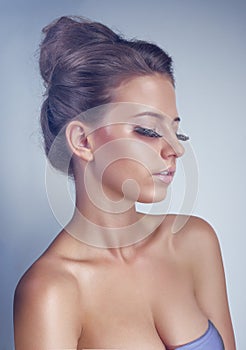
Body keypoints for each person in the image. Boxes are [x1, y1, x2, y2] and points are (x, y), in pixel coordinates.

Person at [14, 16, 236, 350]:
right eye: (148, 130)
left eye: (177, 131)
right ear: (83, 141)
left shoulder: (195, 242)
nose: (175, 149)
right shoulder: (51, 290)